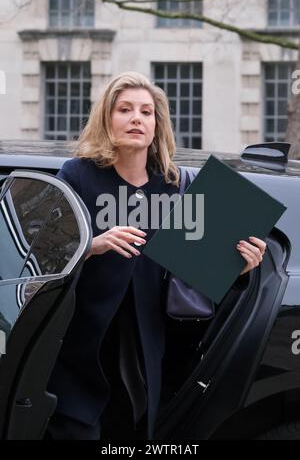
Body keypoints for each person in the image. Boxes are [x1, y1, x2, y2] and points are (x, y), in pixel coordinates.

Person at [46, 71, 266, 440]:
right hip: (82, 344)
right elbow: (47, 256)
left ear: (156, 124)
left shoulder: (175, 184)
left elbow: (198, 274)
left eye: (147, 112)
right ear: (106, 118)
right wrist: (92, 245)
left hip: (152, 345)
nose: (137, 118)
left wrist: (241, 267)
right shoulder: (77, 175)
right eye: (125, 109)